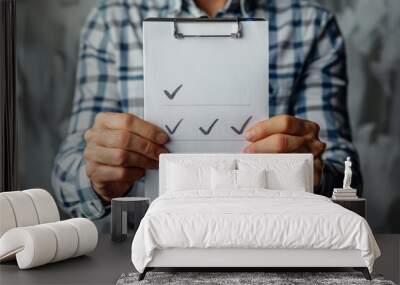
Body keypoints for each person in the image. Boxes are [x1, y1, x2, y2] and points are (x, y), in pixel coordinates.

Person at [52, 0, 362, 219]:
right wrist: (96, 177)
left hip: (268, 240)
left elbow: (347, 177)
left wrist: (312, 172)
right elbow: (67, 172)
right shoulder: (110, 21)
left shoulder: (312, 25)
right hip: (145, 247)